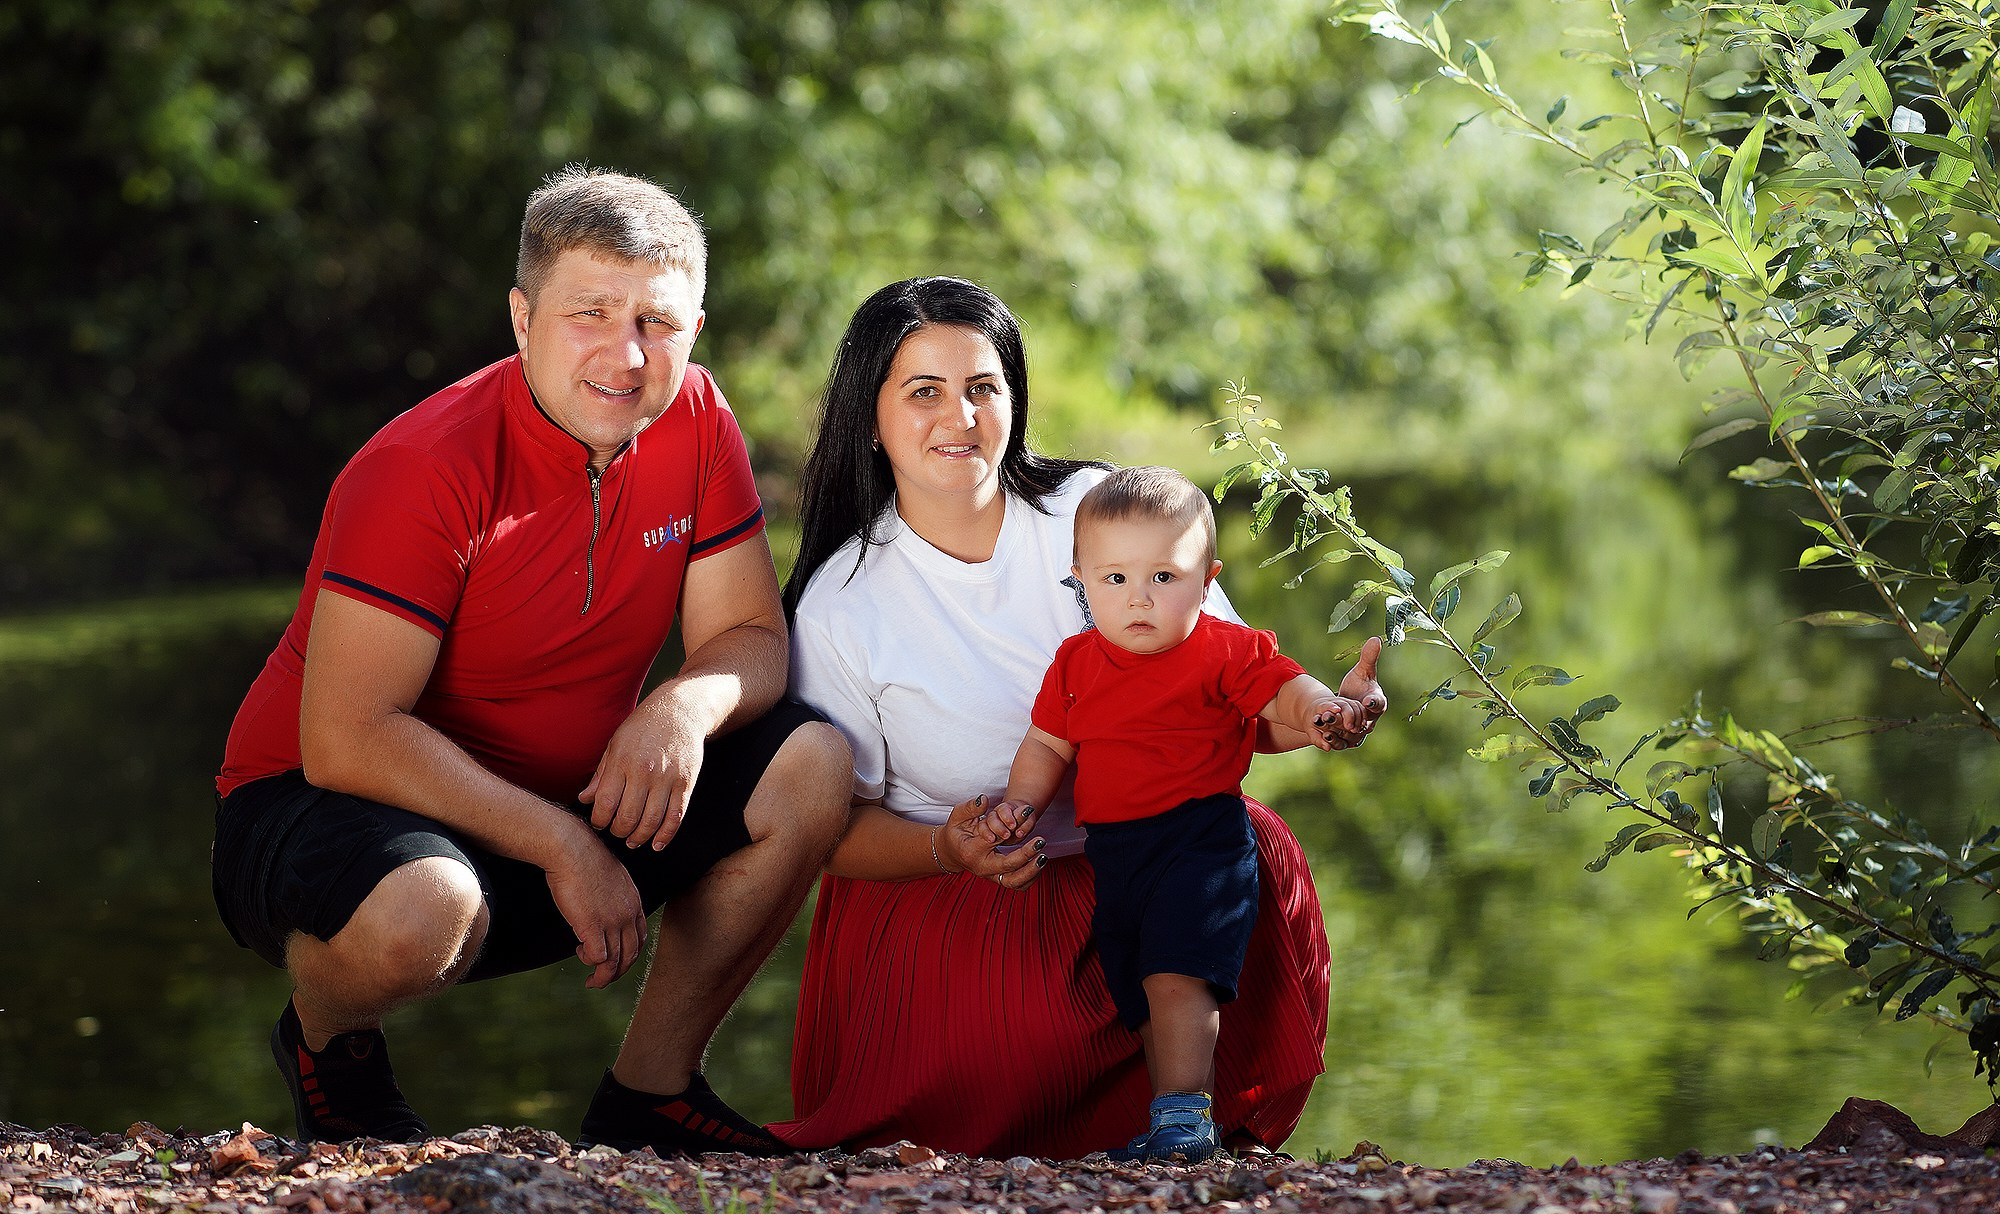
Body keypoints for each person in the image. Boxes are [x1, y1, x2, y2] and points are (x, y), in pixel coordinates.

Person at [209, 165, 852, 1153]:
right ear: (520, 317)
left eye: (657, 320)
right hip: (314, 811)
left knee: (810, 761)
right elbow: (346, 738)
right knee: (428, 910)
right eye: (588, 311)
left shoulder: (697, 420)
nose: (626, 352)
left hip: (565, 799)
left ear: (697, 323)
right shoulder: (422, 465)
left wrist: (677, 709)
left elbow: (749, 642)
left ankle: (649, 1092)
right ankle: (329, 1041)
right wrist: (562, 846)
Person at [772, 276, 1386, 1158]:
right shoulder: (840, 605)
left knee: (1250, 850)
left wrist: (1325, 715)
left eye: (984, 388)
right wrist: (953, 847)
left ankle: (1191, 1124)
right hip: (953, 890)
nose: (962, 416)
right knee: (1013, 1061)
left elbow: (1232, 694)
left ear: (1015, 402)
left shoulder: (1095, 513)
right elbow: (828, 834)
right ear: (870, 419)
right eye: (924, 392)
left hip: (1144, 850)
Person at [980, 465, 1367, 1163]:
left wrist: (1323, 711)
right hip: (1118, 852)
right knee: (1139, 989)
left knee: (1178, 974)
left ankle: (1186, 1121)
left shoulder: (1221, 650)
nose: (1139, 599)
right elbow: (1046, 745)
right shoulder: (1075, 664)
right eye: (1116, 579)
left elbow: (1284, 690)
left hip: (1202, 840)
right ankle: (1175, 1124)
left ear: (1206, 578)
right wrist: (1019, 805)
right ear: (1080, 577)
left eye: (1165, 578)